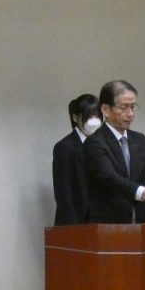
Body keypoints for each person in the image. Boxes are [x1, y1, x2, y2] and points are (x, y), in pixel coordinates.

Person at [83, 80, 145, 224]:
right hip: (109, 225)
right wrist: (144, 193)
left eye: (133, 107)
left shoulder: (139, 140)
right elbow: (110, 178)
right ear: (105, 109)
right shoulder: (94, 143)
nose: (130, 114)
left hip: (140, 221)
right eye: (124, 107)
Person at [52, 93, 100, 226]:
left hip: (102, 222)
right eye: (88, 116)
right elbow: (63, 193)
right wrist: (75, 228)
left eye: (97, 116)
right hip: (75, 222)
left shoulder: (104, 144)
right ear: (75, 118)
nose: (93, 121)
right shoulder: (64, 147)